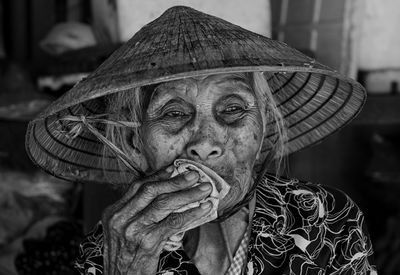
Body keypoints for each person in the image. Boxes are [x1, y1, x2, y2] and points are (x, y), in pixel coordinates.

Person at [26, 6, 377, 275]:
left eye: (234, 108)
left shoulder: (323, 217)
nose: (206, 142)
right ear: (136, 142)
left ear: (262, 128)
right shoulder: (113, 252)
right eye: (174, 114)